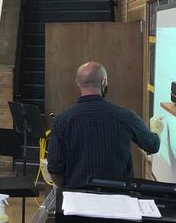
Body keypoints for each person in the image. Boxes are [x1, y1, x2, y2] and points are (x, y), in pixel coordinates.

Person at [46, 61, 162, 189]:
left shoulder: (61, 121)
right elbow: (152, 145)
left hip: (77, 199)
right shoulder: (125, 116)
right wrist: (156, 131)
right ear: (104, 82)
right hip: (118, 196)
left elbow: (54, 169)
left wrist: (69, 188)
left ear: (77, 83)